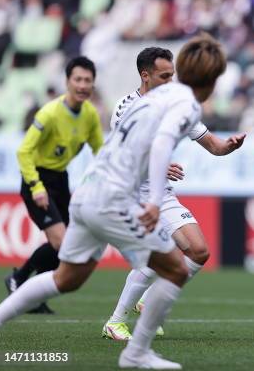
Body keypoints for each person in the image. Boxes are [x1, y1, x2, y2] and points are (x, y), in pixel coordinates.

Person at [0, 32, 227, 369]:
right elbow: (162, 143)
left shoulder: (152, 99)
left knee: (67, 279)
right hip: (117, 198)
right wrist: (151, 200)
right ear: (211, 80)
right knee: (174, 268)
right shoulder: (182, 102)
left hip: (89, 193)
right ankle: (135, 352)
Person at [103, 46, 246, 341]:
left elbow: (214, 146)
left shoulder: (179, 106)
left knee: (198, 250)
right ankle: (115, 322)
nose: (171, 81)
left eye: (172, 75)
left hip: (160, 193)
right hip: (129, 193)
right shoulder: (126, 107)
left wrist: (229, 145)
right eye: (164, 76)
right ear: (145, 76)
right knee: (156, 257)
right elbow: (121, 155)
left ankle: (149, 301)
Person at [6, 56, 103, 314]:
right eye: (78, 79)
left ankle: (32, 293)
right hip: (37, 180)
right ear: (67, 82)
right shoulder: (49, 113)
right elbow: (23, 152)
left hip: (61, 179)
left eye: (88, 81)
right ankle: (19, 277)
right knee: (63, 243)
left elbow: (101, 151)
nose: (83, 85)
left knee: (68, 246)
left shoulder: (90, 114)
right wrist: (36, 187)